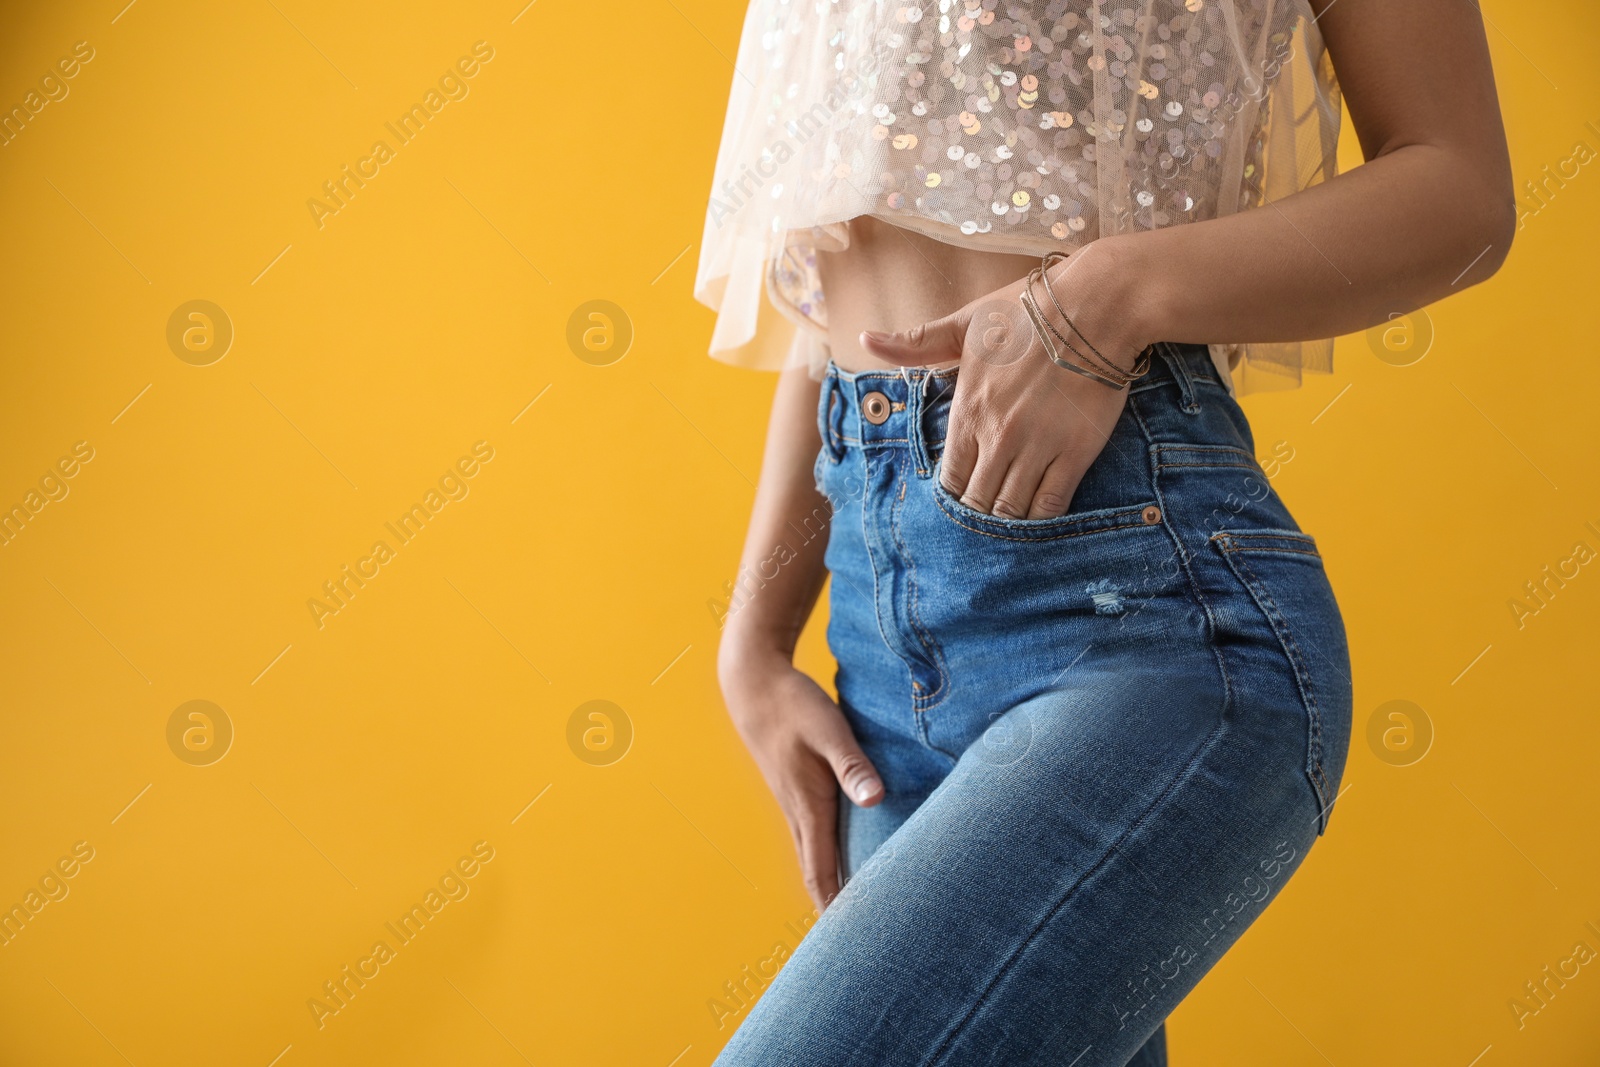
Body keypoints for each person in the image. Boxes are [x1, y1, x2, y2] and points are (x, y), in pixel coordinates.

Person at [694, 1, 1512, 1063]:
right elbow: (846, 295)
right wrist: (754, 635)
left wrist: (1107, 296)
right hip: (878, 642)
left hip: (1139, 597)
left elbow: (1459, 184)